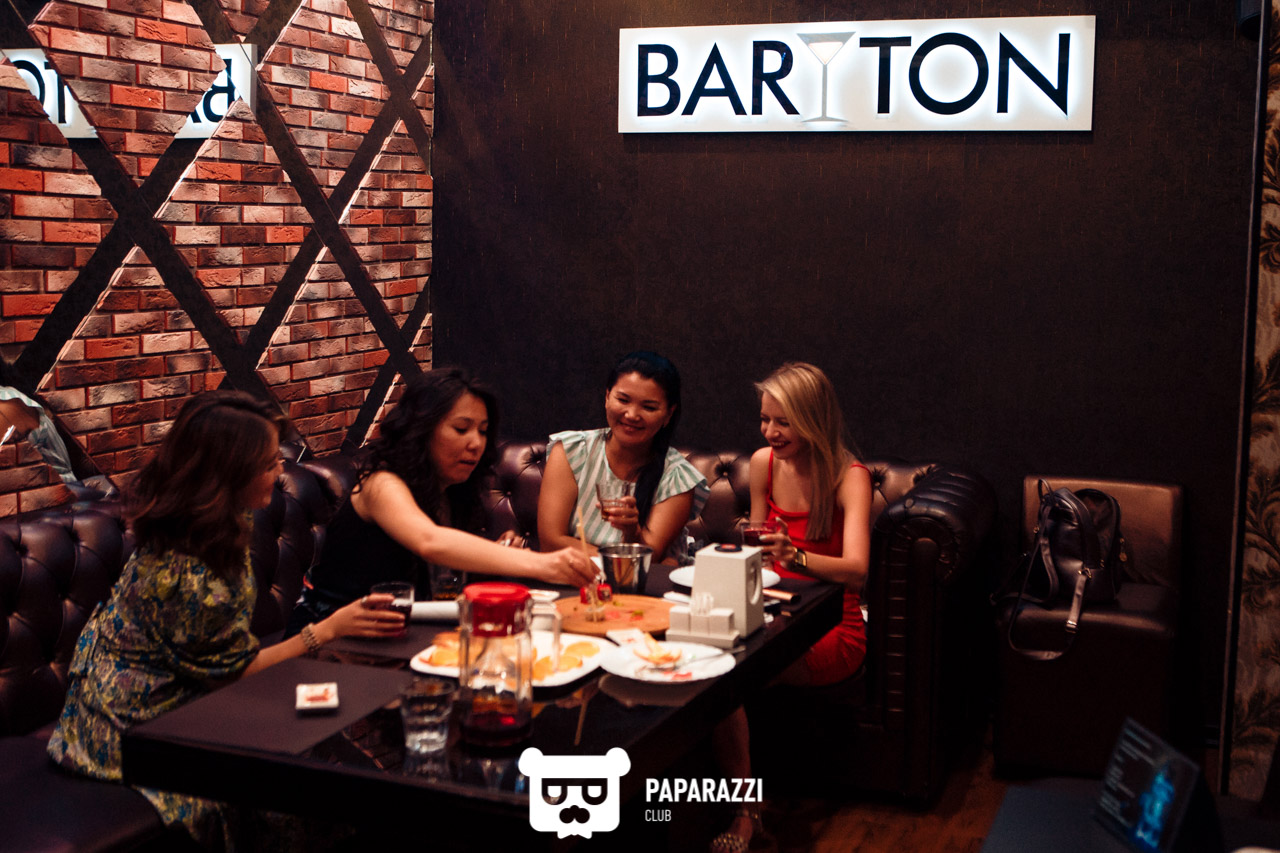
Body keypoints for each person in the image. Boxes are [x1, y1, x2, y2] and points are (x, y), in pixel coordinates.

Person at [47, 391, 403, 849]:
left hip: (148, 697)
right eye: (269, 462)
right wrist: (328, 629)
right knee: (310, 795)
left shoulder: (200, 521)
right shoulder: (194, 569)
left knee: (333, 764)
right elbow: (233, 672)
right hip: (133, 732)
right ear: (228, 472)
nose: (281, 469)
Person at [290, 368, 595, 631]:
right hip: (333, 640)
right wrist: (542, 563)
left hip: (402, 634)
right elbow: (430, 542)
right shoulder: (381, 482)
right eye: (461, 429)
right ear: (422, 429)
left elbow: (449, 577)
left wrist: (498, 557)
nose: (476, 443)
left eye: (483, 431)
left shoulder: (452, 492)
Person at [711, 362, 871, 853]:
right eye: (765, 419)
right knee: (704, 660)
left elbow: (857, 570)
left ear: (814, 420)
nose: (770, 432)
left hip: (832, 627)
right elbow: (762, 550)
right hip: (776, 611)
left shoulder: (849, 476)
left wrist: (795, 555)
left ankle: (745, 814)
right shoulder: (764, 463)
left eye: (784, 422)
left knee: (727, 679)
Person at [537, 350, 709, 564]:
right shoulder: (571, 451)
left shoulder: (677, 477)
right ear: (607, 397)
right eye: (623, 400)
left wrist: (632, 532)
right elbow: (550, 541)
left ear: (668, 414)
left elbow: (650, 559)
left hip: (649, 581)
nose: (632, 415)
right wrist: (616, 558)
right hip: (574, 575)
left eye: (648, 407)